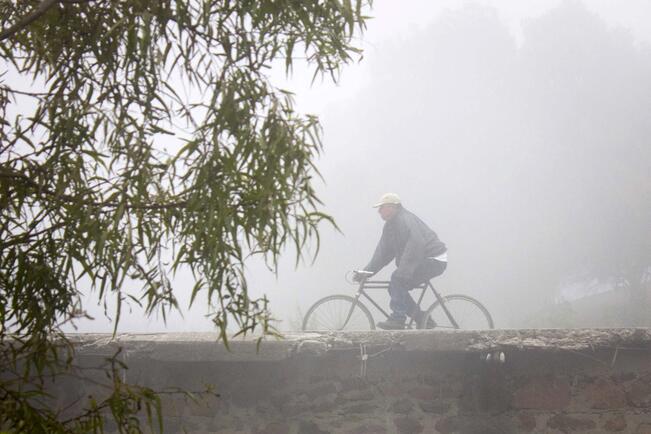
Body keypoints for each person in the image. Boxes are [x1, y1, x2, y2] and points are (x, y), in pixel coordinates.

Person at [354, 193, 448, 330]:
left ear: (393, 207)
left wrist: (404, 271)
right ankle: (423, 320)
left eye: (382, 207)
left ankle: (398, 319)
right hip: (419, 260)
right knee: (395, 287)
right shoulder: (390, 226)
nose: (379, 211)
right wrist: (366, 272)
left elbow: (416, 244)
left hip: (434, 259)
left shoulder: (405, 219)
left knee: (397, 280)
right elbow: (382, 254)